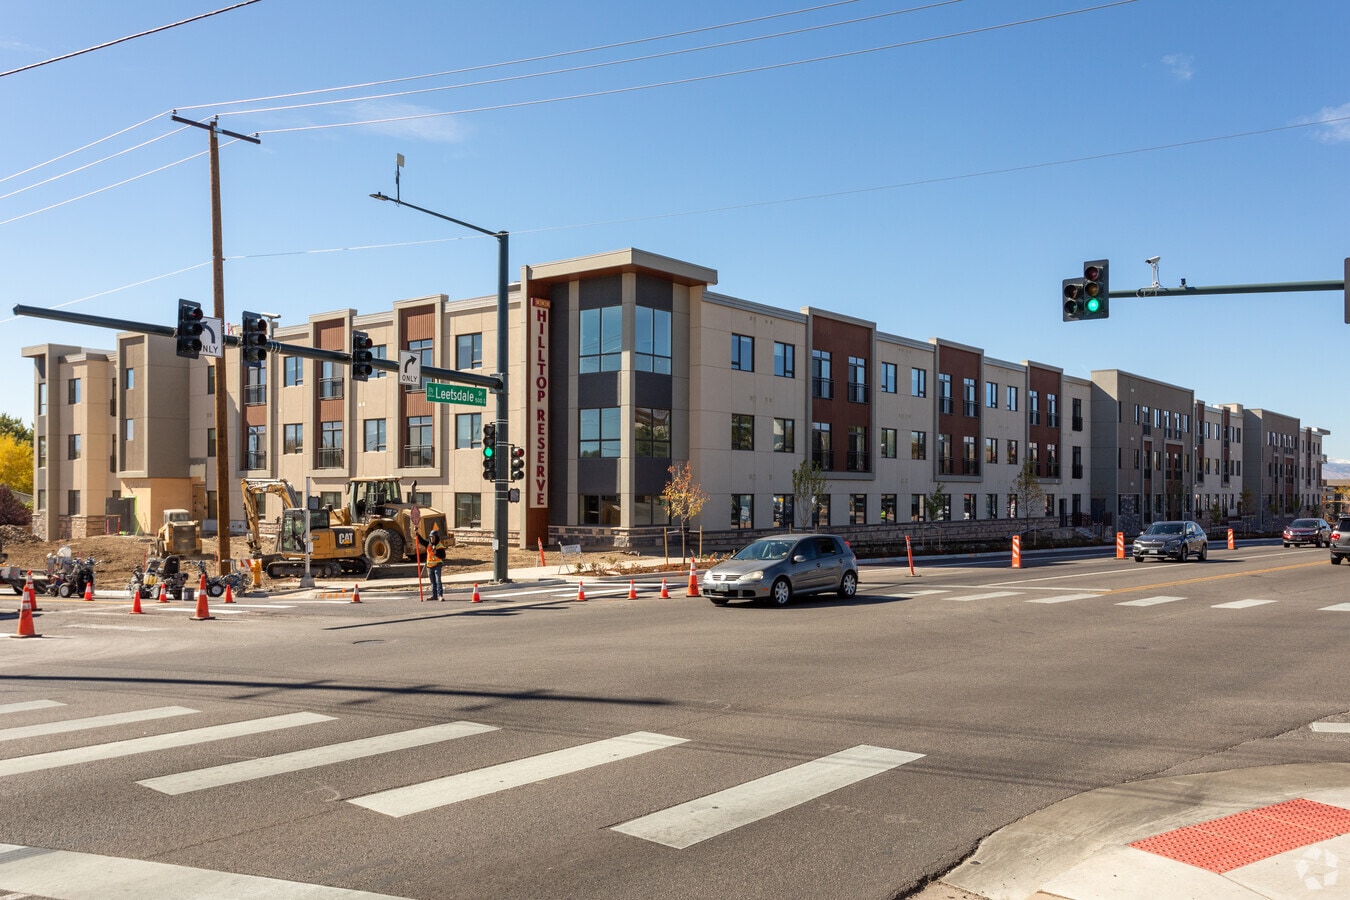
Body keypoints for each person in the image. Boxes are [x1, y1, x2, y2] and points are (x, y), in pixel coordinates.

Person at [419, 527, 446, 600]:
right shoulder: (428, 544)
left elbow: (443, 556)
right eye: (430, 537)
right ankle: (434, 596)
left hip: (437, 565)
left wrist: (436, 552)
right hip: (429, 566)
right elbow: (421, 541)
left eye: (433, 537)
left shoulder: (439, 546)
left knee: (438, 581)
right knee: (432, 582)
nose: (431, 539)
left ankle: (440, 595)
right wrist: (417, 533)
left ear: (436, 538)